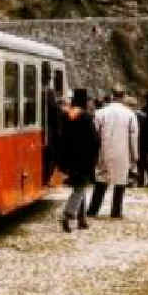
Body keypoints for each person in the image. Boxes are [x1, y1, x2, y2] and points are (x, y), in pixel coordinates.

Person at [88, 86, 138, 218]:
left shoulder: (100, 113)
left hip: (103, 151)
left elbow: (94, 135)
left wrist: (94, 153)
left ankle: (93, 210)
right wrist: (135, 156)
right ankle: (116, 211)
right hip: (122, 152)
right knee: (120, 182)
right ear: (124, 96)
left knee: (101, 181)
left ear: (112, 95)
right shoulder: (130, 114)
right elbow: (133, 137)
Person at [56, 88, 100, 232]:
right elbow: (94, 140)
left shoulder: (66, 115)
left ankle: (82, 219)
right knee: (80, 188)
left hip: (70, 158)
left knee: (80, 187)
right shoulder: (86, 117)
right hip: (84, 159)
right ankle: (68, 215)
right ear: (84, 101)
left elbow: (61, 138)